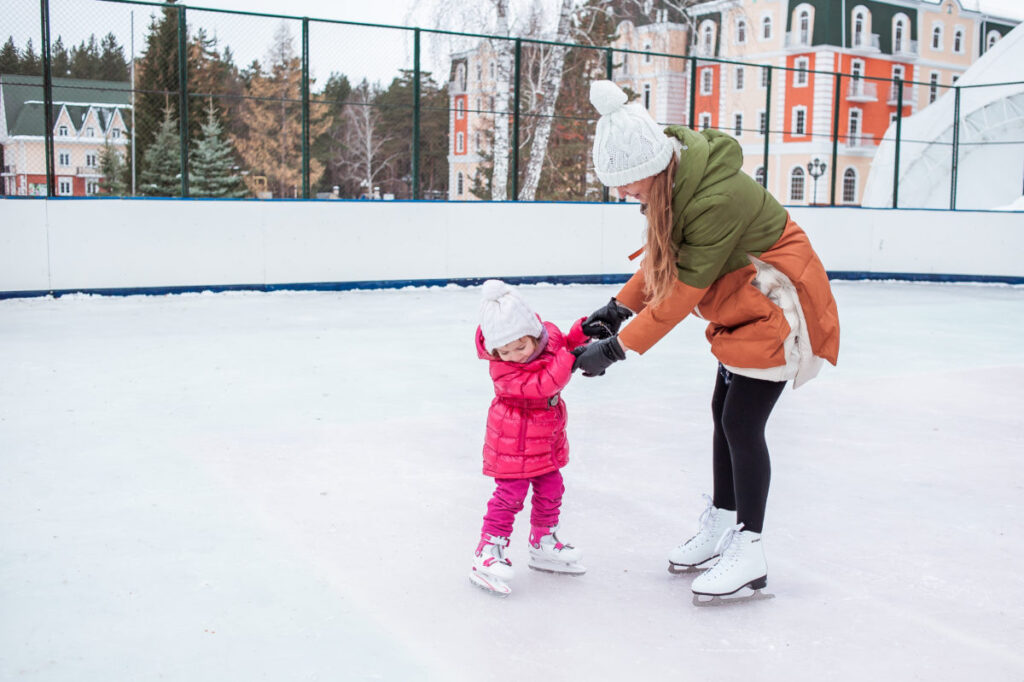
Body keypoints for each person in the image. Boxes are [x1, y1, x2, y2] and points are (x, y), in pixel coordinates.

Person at [572, 80, 840, 604]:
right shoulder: (676, 180)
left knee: (742, 423)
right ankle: (722, 520)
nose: (623, 195)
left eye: (626, 184)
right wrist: (620, 306)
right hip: (742, 305)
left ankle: (750, 549)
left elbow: (681, 292)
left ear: (651, 167)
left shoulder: (714, 198)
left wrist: (617, 348)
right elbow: (665, 259)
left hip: (777, 304)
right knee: (724, 413)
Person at [470, 279, 590, 595]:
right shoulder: (503, 370)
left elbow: (565, 344)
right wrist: (573, 359)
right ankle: (487, 550)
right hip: (513, 443)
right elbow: (543, 385)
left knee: (552, 487)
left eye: (520, 347)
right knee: (510, 495)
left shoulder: (548, 337)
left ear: (535, 335)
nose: (514, 356)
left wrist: (585, 330)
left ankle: (543, 542)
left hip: (544, 440)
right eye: (504, 351)